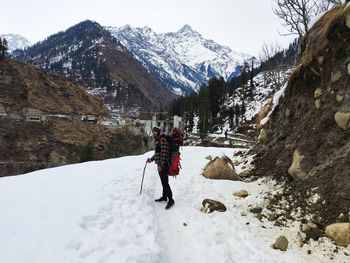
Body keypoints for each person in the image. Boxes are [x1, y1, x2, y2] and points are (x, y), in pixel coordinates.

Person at [147, 126, 175, 209]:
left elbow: (164, 154)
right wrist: (151, 160)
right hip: (161, 164)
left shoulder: (162, 140)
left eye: (155, 132)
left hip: (164, 165)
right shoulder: (159, 140)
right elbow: (158, 153)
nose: (153, 133)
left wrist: (160, 165)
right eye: (152, 132)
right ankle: (164, 196)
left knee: (165, 183)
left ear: (158, 132)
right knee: (163, 182)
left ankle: (171, 199)